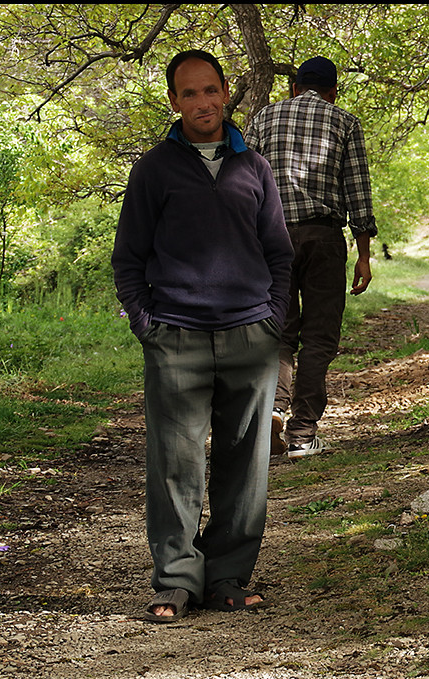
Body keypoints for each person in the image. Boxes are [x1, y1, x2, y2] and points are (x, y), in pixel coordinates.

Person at [112, 49, 293, 623]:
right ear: (174, 103)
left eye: (210, 90)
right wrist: (149, 326)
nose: (202, 102)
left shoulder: (254, 168)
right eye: (189, 94)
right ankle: (176, 579)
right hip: (178, 338)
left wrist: (272, 321)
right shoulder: (154, 170)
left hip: (250, 336)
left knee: (246, 463)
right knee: (174, 464)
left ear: (225, 95)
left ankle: (228, 575)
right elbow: (129, 258)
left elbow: (280, 254)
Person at [244, 55, 379, 458]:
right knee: (320, 335)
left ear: (294, 88)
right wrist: (364, 255)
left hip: (271, 239)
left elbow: (241, 179)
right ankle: (303, 433)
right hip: (324, 237)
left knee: (279, 332)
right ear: (334, 92)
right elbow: (358, 191)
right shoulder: (345, 122)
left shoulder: (264, 119)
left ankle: (272, 408)